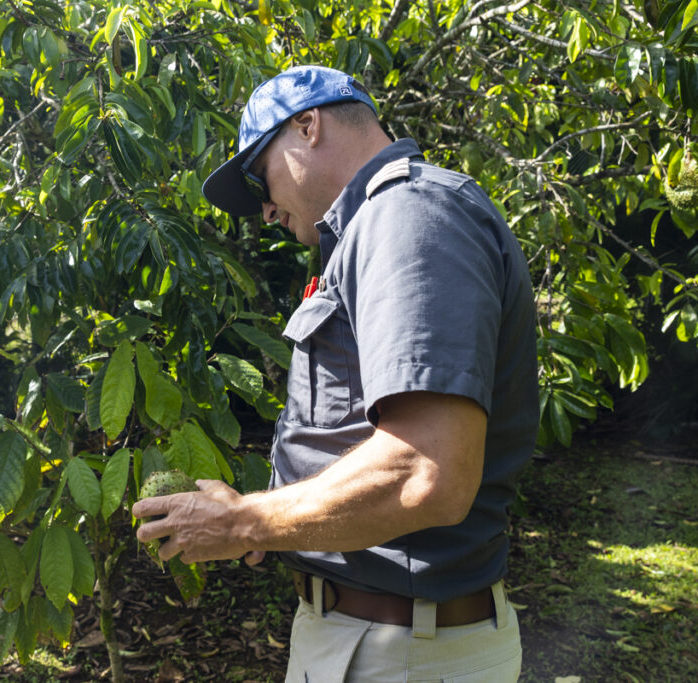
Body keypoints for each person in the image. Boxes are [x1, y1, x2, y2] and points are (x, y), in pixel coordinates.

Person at [132, 65, 538, 682]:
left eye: (257, 180)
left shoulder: (407, 217)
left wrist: (241, 522)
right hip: (377, 639)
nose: (265, 211)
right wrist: (260, 515)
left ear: (307, 125)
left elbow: (427, 471)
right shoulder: (373, 229)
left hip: (403, 651)